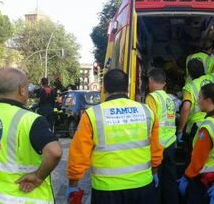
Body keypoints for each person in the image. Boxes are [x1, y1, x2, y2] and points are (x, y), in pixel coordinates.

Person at [66, 69, 163, 204]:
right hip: (143, 186)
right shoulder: (147, 112)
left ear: (104, 89)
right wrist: (155, 172)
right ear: (127, 87)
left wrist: (73, 186)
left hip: (106, 190)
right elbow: (156, 149)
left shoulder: (92, 115)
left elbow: (78, 155)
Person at [0, 67, 62, 204]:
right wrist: (38, 177)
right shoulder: (31, 120)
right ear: (22, 90)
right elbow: (55, 152)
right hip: (23, 198)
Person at [178, 83, 214, 204]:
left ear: (208, 100)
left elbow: (198, 159)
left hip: (207, 182)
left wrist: (187, 176)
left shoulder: (208, 126)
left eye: (199, 98)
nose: (197, 101)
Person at [178, 54, 214, 161]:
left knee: (197, 158)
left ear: (189, 74)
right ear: (204, 69)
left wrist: (180, 130)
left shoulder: (189, 86)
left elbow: (186, 107)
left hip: (197, 128)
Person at [145, 68, 178, 204]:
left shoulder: (152, 97)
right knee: (170, 183)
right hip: (170, 144)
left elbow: (150, 123)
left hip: (158, 146)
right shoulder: (169, 99)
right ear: (164, 83)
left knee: (156, 185)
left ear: (150, 81)